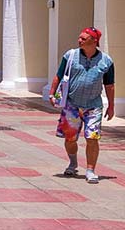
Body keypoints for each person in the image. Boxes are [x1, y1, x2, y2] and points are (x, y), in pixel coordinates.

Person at [48, 27, 115, 184]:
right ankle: (73, 163)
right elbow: (58, 76)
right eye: (80, 38)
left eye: (84, 39)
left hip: (93, 106)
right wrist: (52, 94)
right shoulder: (70, 56)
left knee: (92, 137)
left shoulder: (107, 61)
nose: (79, 40)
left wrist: (111, 106)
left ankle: (91, 170)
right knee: (70, 139)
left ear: (94, 41)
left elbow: (110, 85)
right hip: (72, 104)